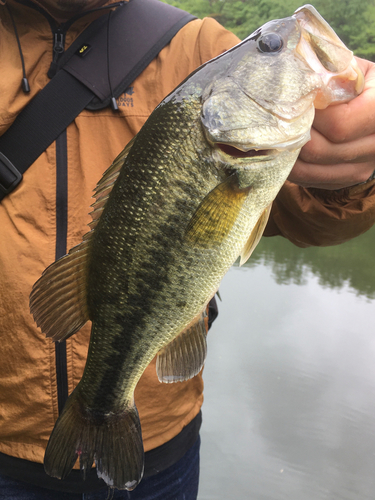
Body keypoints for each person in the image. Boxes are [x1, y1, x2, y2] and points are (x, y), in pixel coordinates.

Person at [0, 1, 374, 499]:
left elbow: (304, 212)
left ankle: (105, 402)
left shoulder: (199, 49)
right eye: (269, 46)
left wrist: (357, 171)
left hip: (158, 440)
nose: (280, 44)